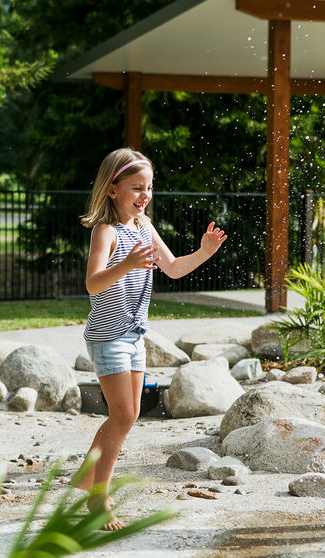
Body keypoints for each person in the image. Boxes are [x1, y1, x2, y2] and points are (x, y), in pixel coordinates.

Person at [78, 148, 227, 530]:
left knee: (129, 414)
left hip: (133, 334)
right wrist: (125, 264)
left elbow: (174, 269)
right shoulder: (105, 231)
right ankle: (98, 497)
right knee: (123, 414)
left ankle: (86, 476)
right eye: (136, 188)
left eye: (149, 188)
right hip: (108, 336)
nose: (144, 195)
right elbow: (93, 284)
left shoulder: (144, 226)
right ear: (112, 190)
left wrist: (204, 252)